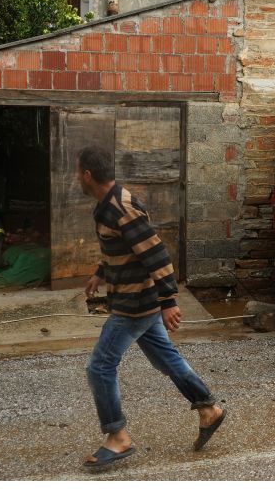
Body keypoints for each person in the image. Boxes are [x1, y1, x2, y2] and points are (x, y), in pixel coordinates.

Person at [77, 144, 226, 470]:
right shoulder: (106, 205)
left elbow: (155, 254)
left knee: (99, 368)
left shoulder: (123, 207)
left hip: (134, 305)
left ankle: (117, 437)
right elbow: (122, 247)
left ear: (88, 174)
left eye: (78, 172)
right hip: (132, 300)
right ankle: (208, 409)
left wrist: (168, 301)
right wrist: (100, 273)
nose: (78, 178)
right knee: (167, 360)